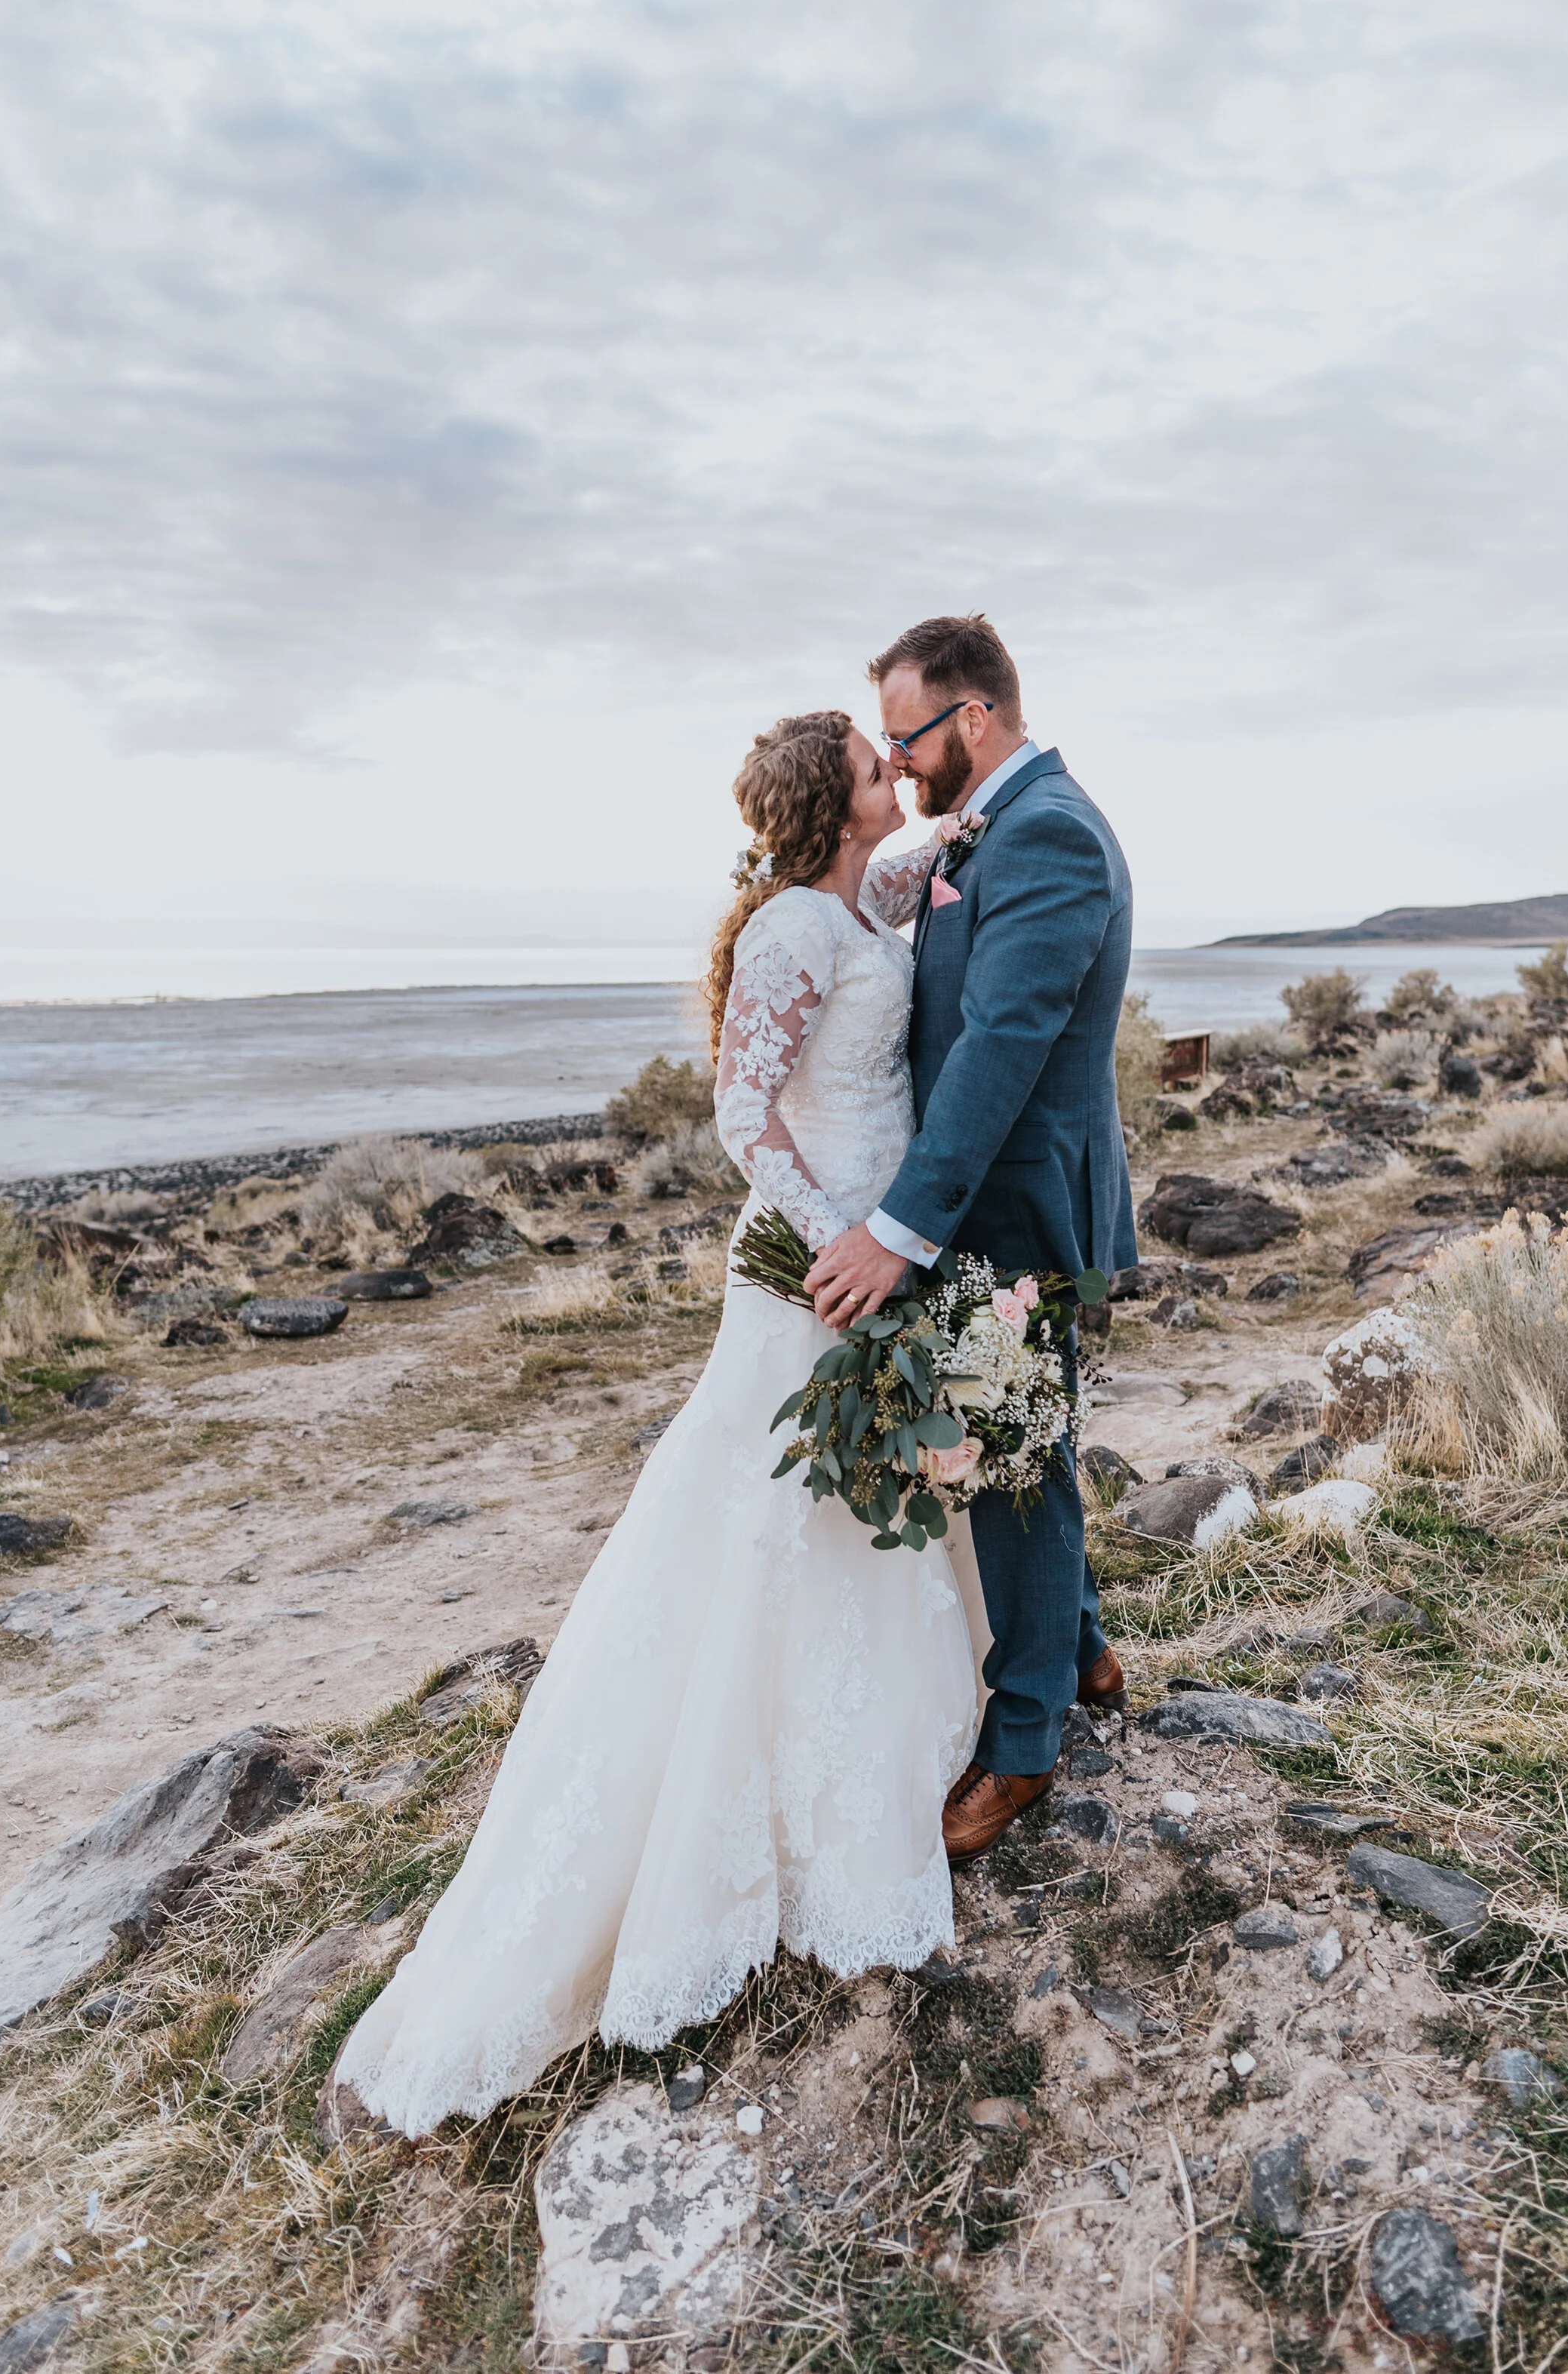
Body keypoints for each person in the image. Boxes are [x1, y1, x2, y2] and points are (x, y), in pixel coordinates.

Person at [334, 712, 978, 2137]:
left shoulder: (856, 898)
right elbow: (743, 1114)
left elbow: (910, 874)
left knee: (854, 1506)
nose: (897, 777)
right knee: (770, 1513)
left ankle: (895, 1766)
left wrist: (966, 823)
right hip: (822, 1262)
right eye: (878, 772)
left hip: (883, 1246)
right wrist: (843, 1242)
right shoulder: (788, 938)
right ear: (830, 806)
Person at [804, 613, 1137, 1863]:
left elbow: (1001, 1049)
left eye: (908, 735)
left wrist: (899, 1229)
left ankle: (1026, 1738)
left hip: (1016, 1208)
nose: (896, 762)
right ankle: (1085, 1652)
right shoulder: (990, 823)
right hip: (990, 1199)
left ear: (974, 719)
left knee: (1010, 1463)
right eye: (882, 743)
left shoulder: (1044, 830)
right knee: (1021, 1439)